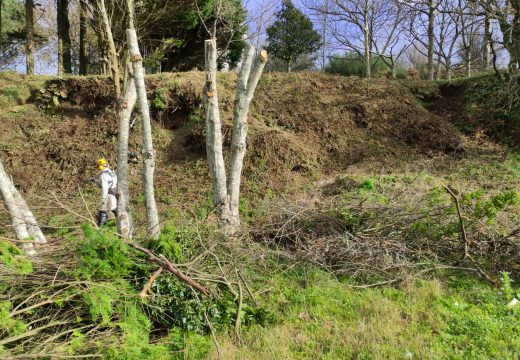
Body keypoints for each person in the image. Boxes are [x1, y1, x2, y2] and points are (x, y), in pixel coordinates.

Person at [95, 158, 118, 227]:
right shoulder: (112, 172)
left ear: (100, 166)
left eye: (98, 167)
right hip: (114, 191)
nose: (98, 169)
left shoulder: (103, 175)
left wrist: (103, 198)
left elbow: (105, 187)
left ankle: (99, 228)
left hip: (108, 193)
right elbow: (110, 182)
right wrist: (96, 182)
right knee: (114, 208)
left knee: (103, 210)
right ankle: (120, 222)